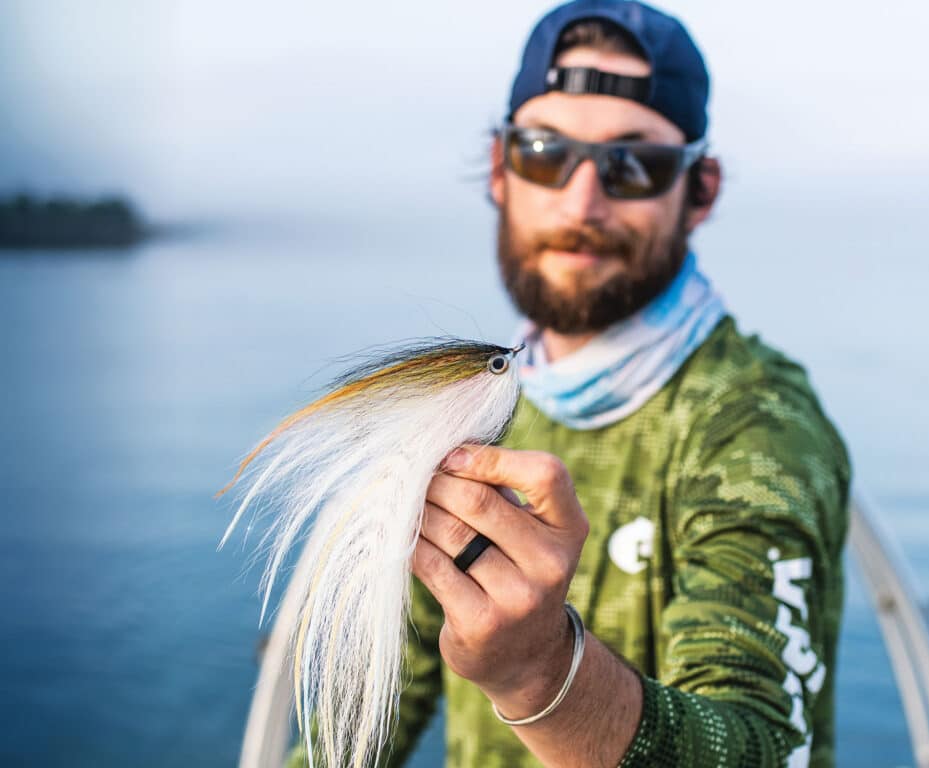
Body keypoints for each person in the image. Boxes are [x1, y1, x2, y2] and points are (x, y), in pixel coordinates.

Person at [291, 1, 850, 766]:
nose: (582, 201)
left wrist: (541, 672)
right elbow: (375, 709)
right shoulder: (472, 407)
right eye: (546, 151)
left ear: (701, 190)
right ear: (500, 168)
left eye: (635, 163)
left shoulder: (753, 423)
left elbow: (766, 748)